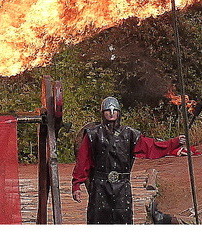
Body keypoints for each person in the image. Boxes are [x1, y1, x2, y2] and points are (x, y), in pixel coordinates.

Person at [72, 96, 190, 224]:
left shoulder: (130, 134)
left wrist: (174, 142)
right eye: (108, 110)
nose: (111, 114)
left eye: (114, 110)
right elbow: (83, 161)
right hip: (100, 186)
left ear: (119, 113)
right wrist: (76, 185)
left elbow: (152, 147)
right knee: (98, 222)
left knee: (123, 221)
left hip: (122, 187)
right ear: (102, 113)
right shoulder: (92, 134)